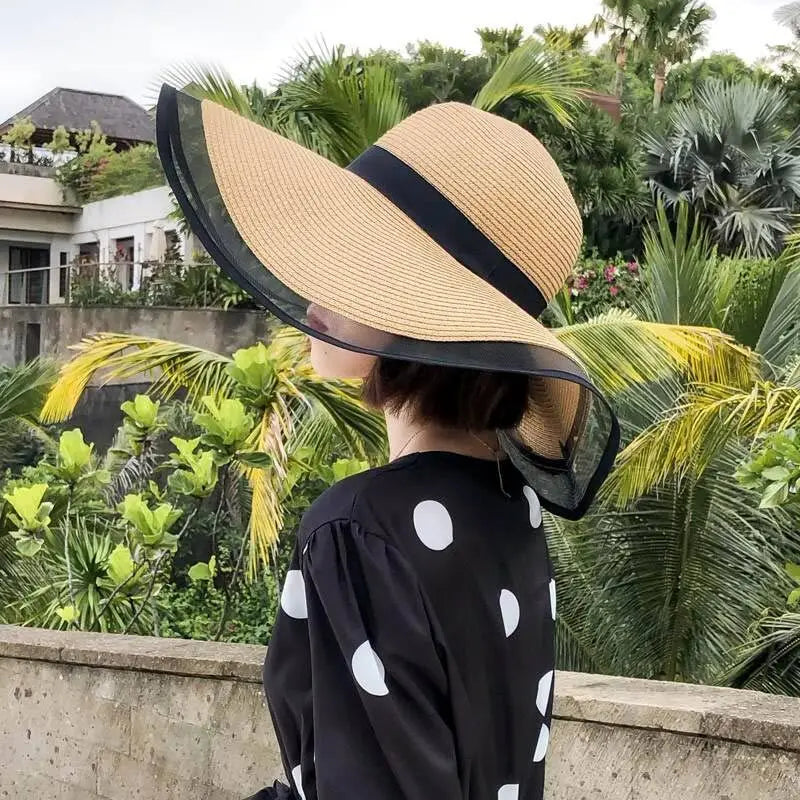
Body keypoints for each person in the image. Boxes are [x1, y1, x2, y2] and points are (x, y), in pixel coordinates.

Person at [156, 85, 620, 800]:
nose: (317, 280)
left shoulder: (359, 531)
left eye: (356, 257)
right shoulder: (507, 509)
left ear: (418, 312)